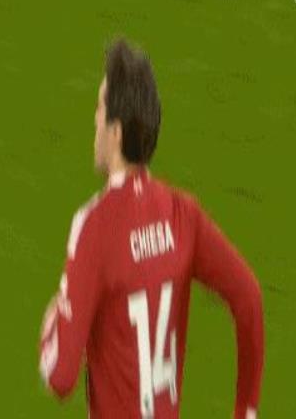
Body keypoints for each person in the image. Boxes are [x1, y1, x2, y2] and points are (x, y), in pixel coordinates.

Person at [39, 39, 264, 419]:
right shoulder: (183, 215)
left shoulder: (94, 227)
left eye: (99, 108)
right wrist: (246, 410)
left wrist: (51, 324)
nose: (94, 120)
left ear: (116, 132)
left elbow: (60, 376)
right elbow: (249, 298)